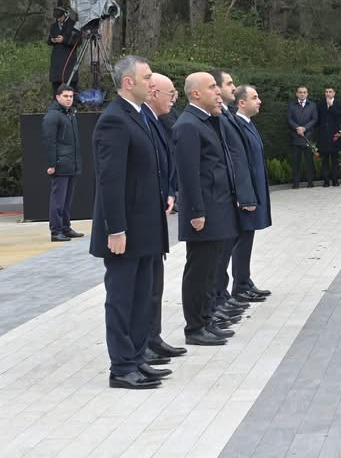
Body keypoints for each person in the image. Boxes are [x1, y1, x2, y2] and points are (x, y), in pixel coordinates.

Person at [90, 56, 170, 389]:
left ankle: (137, 358)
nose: (152, 83)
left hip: (147, 228)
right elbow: (111, 180)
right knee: (122, 299)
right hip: (126, 231)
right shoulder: (114, 121)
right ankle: (122, 367)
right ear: (128, 83)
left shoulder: (139, 117)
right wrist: (116, 229)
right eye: (147, 77)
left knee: (143, 297)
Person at [174, 72, 240, 347]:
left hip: (219, 205)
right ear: (196, 94)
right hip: (204, 210)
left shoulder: (209, 120)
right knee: (199, 270)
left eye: (217, 86)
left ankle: (206, 318)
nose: (217, 91)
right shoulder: (188, 125)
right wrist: (195, 212)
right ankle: (195, 326)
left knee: (212, 269)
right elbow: (188, 175)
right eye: (212, 87)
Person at [208, 70, 258, 329]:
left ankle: (222, 296)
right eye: (229, 84)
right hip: (218, 200)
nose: (232, 87)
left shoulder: (225, 116)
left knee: (224, 250)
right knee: (215, 256)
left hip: (229, 197)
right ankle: (215, 302)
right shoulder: (214, 119)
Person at [143, 73, 186, 362]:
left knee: (154, 285)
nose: (173, 99)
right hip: (139, 221)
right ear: (154, 92)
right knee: (140, 289)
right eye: (170, 93)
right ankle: (140, 346)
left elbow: (166, 161)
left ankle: (153, 337)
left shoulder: (157, 121)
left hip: (156, 216)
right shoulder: (131, 121)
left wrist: (170, 191)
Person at [233, 85, 273, 303]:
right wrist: (246, 196)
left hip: (254, 191)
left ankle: (244, 280)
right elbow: (240, 165)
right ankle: (239, 285)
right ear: (241, 103)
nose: (259, 101)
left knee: (248, 238)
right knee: (242, 238)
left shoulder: (248, 124)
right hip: (247, 196)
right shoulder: (237, 125)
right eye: (254, 97)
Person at [42, 84, 83, 243]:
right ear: (58, 97)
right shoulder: (52, 116)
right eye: (65, 96)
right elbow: (48, 141)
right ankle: (56, 231)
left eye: (71, 96)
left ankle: (65, 228)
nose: (69, 99)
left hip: (71, 164)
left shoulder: (70, 114)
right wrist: (52, 163)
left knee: (67, 200)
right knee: (58, 199)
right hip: (61, 164)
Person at [287, 86, 317, 188]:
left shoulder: (312, 105)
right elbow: (289, 119)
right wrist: (297, 128)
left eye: (304, 92)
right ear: (296, 94)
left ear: (307, 94)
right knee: (296, 162)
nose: (302, 94)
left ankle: (310, 182)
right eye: (300, 92)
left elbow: (314, 119)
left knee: (309, 161)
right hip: (295, 136)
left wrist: (304, 128)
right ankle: (295, 183)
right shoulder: (292, 105)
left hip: (308, 137)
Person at [316, 86, 341, 187]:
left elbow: (340, 118)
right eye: (326, 92)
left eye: (330, 92)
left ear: (334, 93)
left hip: (334, 136)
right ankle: (326, 180)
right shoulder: (320, 104)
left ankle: (335, 179)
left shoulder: (339, 104)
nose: (328, 94)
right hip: (323, 136)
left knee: (335, 160)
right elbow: (318, 120)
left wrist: (332, 106)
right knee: (324, 160)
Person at [47, 7, 80, 94]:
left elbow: (78, 41)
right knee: (56, 85)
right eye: (57, 18)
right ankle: (56, 103)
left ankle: (71, 105)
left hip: (69, 58)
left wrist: (64, 40)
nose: (58, 20)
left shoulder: (74, 25)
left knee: (70, 84)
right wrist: (52, 40)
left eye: (60, 17)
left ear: (65, 15)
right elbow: (49, 40)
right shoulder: (54, 26)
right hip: (56, 58)